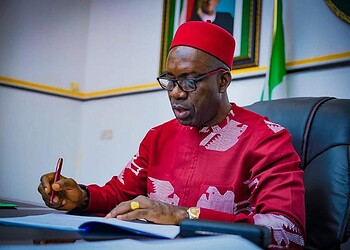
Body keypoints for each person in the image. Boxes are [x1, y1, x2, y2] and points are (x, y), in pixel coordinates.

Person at [38, 21, 305, 249]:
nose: (176, 92)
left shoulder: (267, 139)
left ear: (222, 81)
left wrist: (184, 216)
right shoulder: (158, 137)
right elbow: (122, 193)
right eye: (170, 80)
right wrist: (82, 197)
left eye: (190, 80)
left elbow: (287, 231)